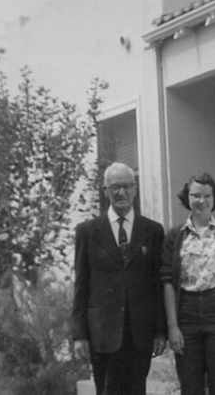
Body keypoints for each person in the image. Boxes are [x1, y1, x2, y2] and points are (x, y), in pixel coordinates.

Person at [72, 162, 167, 395]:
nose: (121, 192)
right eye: (115, 187)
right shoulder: (88, 231)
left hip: (140, 332)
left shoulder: (153, 231)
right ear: (105, 191)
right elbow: (81, 285)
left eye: (126, 186)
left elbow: (158, 285)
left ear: (135, 189)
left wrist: (160, 331)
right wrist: (79, 335)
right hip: (103, 332)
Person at [160, 173, 215, 395]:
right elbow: (167, 281)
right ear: (186, 197)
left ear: (214, 198)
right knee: (190, 384)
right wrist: (172, 326)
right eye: (195, 195)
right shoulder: (174, 236)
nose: (201, 201)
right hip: (186, 314)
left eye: (207, 195)